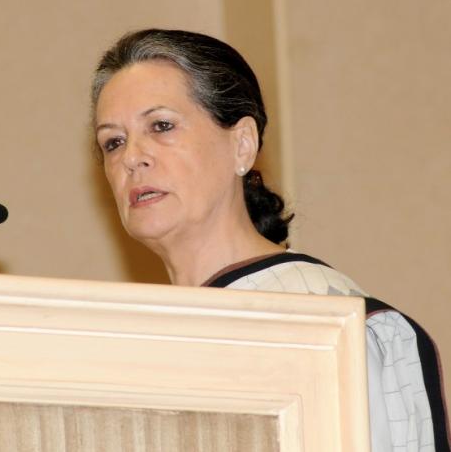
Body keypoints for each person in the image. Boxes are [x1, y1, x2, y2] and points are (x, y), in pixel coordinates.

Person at [90, 28, 449, 452]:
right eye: (113, 142)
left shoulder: (326, 322)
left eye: (161, 126)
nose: (132, 157)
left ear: (243, 144)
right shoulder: (129, 348)